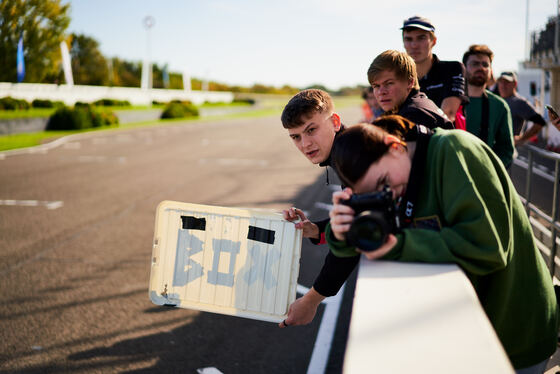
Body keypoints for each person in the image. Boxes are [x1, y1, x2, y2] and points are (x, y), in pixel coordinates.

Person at [326, 115, 558, 373]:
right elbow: (365, 237)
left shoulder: (454, 149)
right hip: (474, 333)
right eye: (377, 193)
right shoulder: (404, 176)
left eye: (384, 183)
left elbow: (488, 247)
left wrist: (399, 244)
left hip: (516, 334)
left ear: (395, 146)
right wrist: (342, 230)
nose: (389, 195)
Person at [279, 88, 360, 328]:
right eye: (296, 137)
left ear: (335, 122)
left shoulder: (353, 157)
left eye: (311, 130)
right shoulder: (345, 150)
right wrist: (315, 230)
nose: (305, 144)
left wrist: (312, 299)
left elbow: (351, 237)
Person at [401, 15, 467, 123]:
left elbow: (448, 115)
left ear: (434, 41)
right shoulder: (400, 77)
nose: (414, 45)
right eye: (408, 39)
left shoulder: (452, 69)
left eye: (421, 38)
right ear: (403, 43)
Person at [367, 49, 454, 130]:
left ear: (410, 82)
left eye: (389, 83)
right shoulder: (416, 102)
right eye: (376, 86)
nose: (381, 92)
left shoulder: (413, 114)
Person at [462, 44, 514, 168]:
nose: (481, 68)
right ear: (464, 68)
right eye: (475, 64)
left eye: (485, 64)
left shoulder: (499, 106)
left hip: (482, 174)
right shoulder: (450, 99)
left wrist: (491, 170)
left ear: (491, 70)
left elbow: (506, 149)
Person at [496, 71, 548, 146]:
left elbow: (540, 122)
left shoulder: (518, 102)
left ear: (515, 84)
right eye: (501, 82)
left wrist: (521, 139)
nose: (503, 85)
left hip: (508, 152)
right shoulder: (498, 100)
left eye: (507, 82)